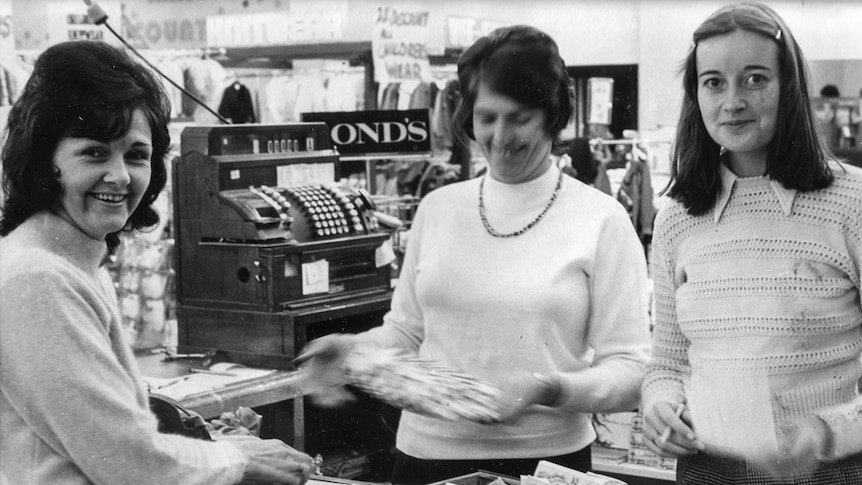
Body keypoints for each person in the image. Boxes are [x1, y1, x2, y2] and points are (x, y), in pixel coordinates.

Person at [298, 25, 651, 484]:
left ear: (551, 115)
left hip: (547, 464)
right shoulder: (439, 208)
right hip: (425, 456)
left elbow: (631, 370)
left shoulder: (601, 219)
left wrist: (550, 387)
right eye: (487, 118)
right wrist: (353, 349)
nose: (500, 136)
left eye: (519, 117)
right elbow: (407, 331)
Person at [0, 40, 313, 485]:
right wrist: (234, 461)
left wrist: (215, 447)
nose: (121, 176)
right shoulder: (39, 277)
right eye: (94, 152)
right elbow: (122, 458)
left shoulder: (73, 262)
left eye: (136, 154)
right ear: (45, 159)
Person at [641, 3, 862, 483]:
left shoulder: (852, 201)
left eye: (755, 79)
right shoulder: (678, 217)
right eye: (714, 81)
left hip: (828, 471)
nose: (732, 100)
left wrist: (829, 433)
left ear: (790, 89)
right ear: (695, 93)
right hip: (706, 470)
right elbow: (667, 363)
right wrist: (660, 407)